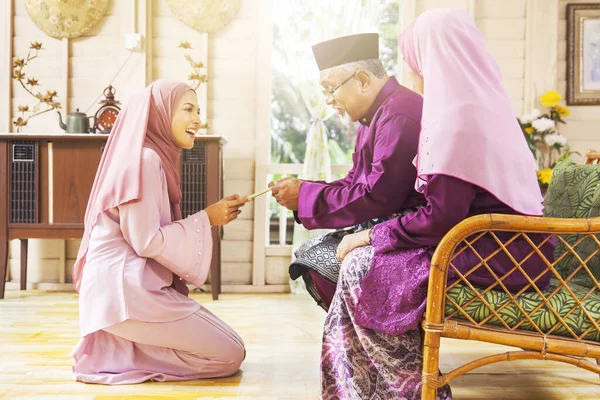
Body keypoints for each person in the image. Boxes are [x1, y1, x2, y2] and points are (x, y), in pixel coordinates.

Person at [320, 9, 554, 399]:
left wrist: (371, 236)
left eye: (414, 62)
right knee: (363, 264)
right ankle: (366, 390)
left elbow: (440, 217)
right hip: (514, 247)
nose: (411, 74)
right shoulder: (482, 107)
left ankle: (401, 392)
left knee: (364, 267)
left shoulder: (455, 118)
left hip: (496, 251)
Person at [71, 79, 247, 384]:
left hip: (126, 290)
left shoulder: (151, 157)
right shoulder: (145, 160)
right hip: (126, 294)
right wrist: (207, 218)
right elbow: (146, 240)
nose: (197, 119)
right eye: (188, 109)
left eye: (198, 110)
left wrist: (210, 217)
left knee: (234, 348)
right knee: (230, 354)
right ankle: (126, 355)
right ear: (160, 113)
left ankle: (123, 352)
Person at [270, 33, 425, 310]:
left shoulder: (399, 114)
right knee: (311, 254)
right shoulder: (373, 116)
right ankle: (361, 338)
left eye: (330, 89)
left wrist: (305, 195)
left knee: (321, 258)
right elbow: (355, 181)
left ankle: (377, 341)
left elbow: (379, 195)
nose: (328, 100)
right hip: (387, 224)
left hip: (413, 231)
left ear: (363, 80)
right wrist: (304, 189)